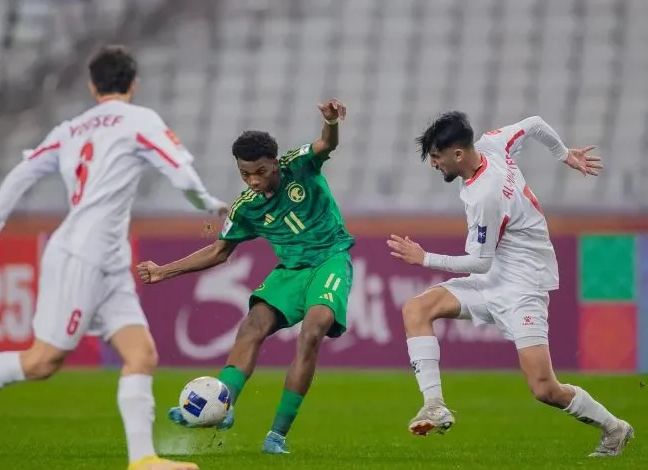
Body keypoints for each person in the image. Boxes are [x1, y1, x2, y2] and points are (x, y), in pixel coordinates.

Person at [0, 45, 228, 470]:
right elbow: (180, 172)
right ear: (133, 83)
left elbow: (21, 174)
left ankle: (143, 460)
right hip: (80, 255)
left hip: (107, 257)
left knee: (141, 355)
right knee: (41, 362)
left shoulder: (71, 128)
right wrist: (212, 204)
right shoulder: (140, 120)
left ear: (91, 86)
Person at [387, 111, 633, 457]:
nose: (434, 164)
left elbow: (479, 260)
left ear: (458, 154)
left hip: (522, 287)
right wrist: (564, 154)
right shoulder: (492, 143)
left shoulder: (486, 195)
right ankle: (435, 405)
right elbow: (533, 123)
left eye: (437, 157)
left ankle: (615, 428)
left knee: (544, 388)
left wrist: (424, 258)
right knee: (416, 308)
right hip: (492, 278)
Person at [136, 99, 351, 454]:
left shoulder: (300, 166)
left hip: (329, 260)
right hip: (290, 272)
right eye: (245, 174)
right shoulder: (246, 207)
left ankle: (277, 436)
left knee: (313, 330)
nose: (253, 181)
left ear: (275, 163)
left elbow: (327, 143)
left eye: (261, 172)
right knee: (252, 326)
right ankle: (221, 404)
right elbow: (219, 250)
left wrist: (330, 121)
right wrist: (164, 271)